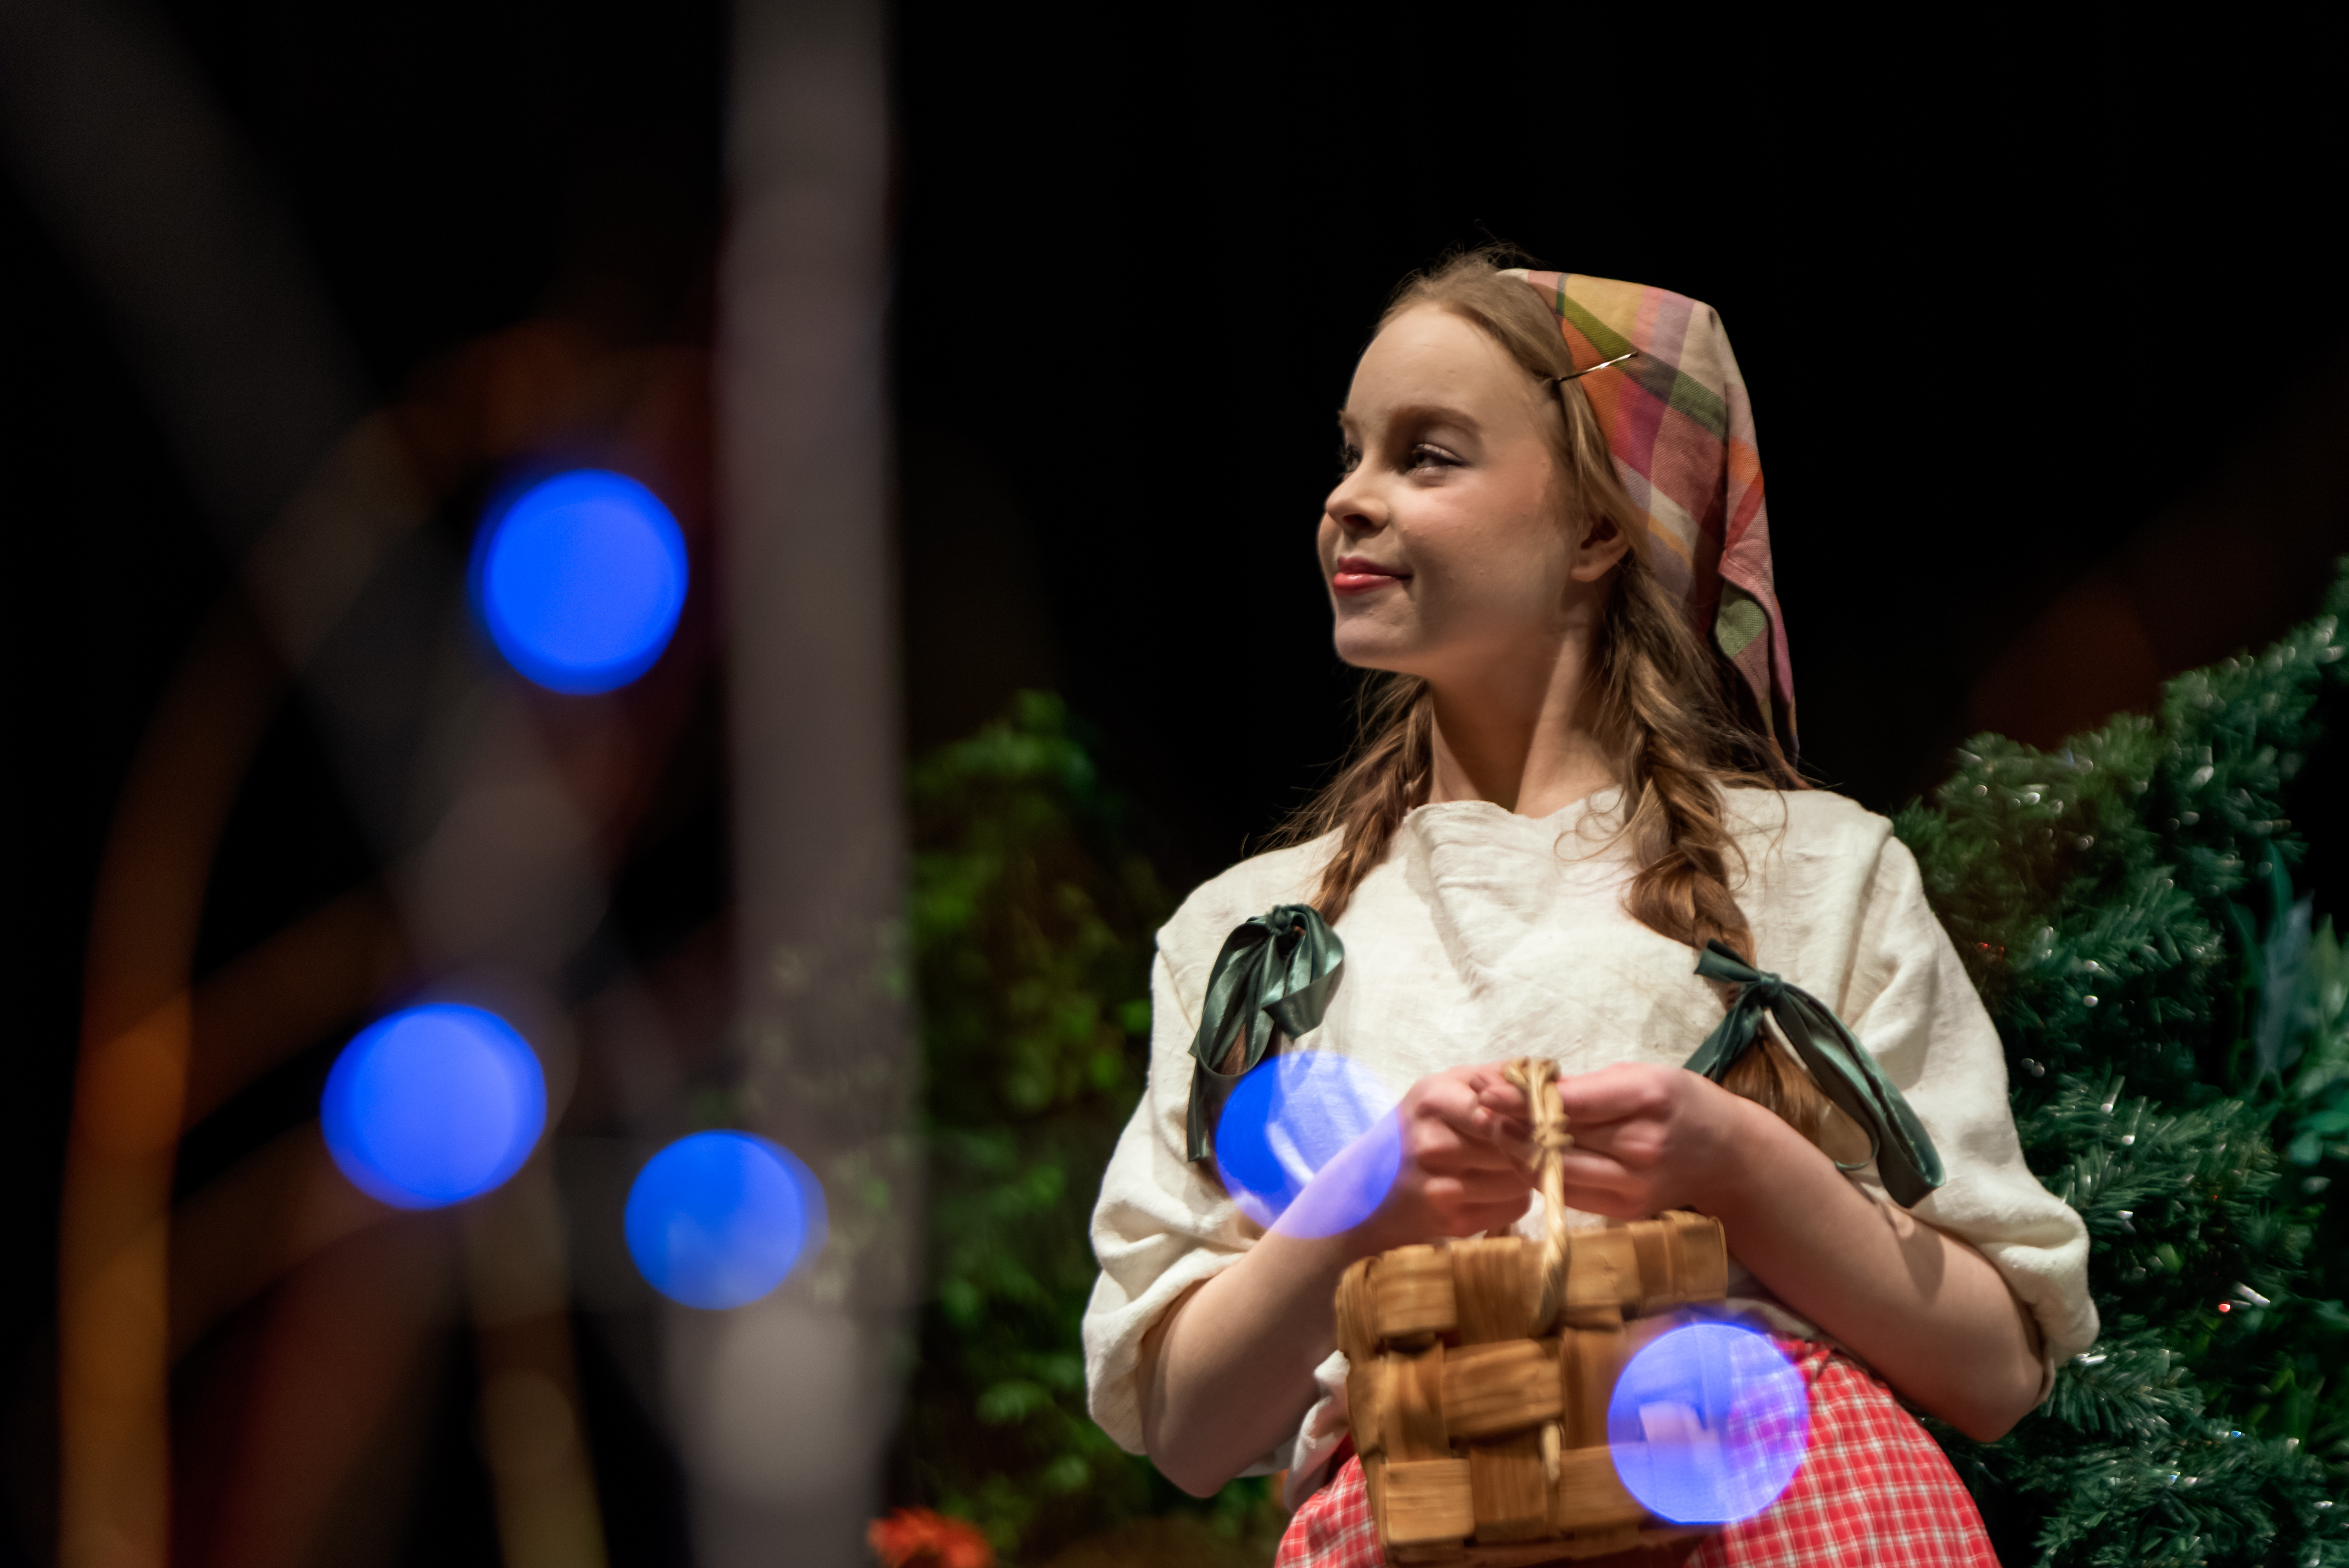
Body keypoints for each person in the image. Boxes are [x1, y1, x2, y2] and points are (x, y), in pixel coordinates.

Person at [1081, 249, 2098, 1566]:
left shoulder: (1817, 875)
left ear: (1598, 530)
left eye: (1426, 456)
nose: (1348, 499)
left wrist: (1739, 1167)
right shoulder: (1254, 938)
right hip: (1425, 1511)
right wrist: (1373, 1203)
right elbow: (1187, 1430)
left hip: (1791, 1509)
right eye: (1351, 453)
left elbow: (1998, 1368)